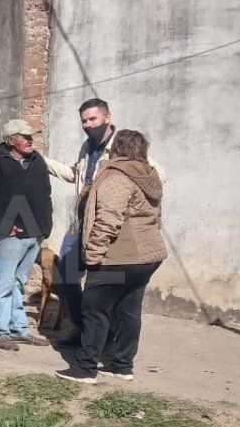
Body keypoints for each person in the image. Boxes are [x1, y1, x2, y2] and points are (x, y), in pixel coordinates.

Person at [44, 98, 164, 345]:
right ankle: (84, 330)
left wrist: (130, 206)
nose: (88, 125)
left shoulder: (123, 147)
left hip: (108, 225)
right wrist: (42, 160)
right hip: (79, 224)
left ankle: (105, 340)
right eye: (84, 121)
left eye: (93, 119)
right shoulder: (87, 147)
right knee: (67, 276)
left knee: (105, 288)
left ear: (107, 118)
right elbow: (75, 174)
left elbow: (156, 175)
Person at [56, 130, 167, 384]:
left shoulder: (117, 176)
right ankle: (122, 366)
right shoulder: (148, 175)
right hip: (147, 256)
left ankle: (85, 369)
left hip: (119, 256)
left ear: (116, 149)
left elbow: (108, 219)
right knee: (129, 310)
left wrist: (93, 254)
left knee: (94, 309)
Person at [0, 119, 53, 351]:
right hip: (10, 234)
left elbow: (45, 194)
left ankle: (19, 330)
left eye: (31, 136)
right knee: (4, 283)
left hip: (34, 233)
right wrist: (2, 226)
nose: (30, 140)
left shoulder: (37, 161)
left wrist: (46, 225)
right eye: (24, 136)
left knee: (20, 282)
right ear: (10, 141)